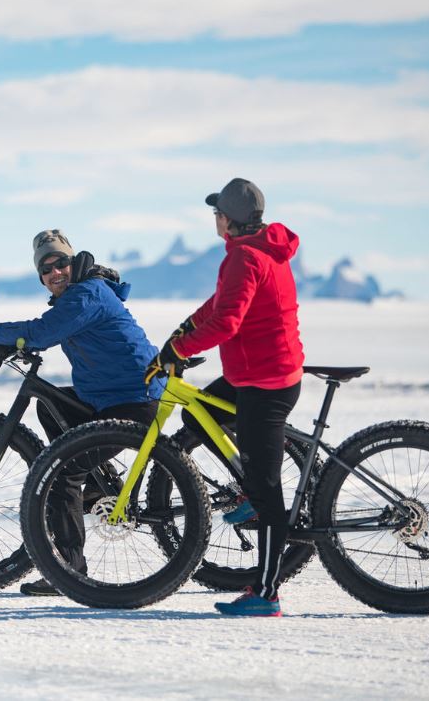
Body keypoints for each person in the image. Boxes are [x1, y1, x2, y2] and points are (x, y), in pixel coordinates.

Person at [0, 229, 164, 596]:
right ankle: (96, 487)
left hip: (132, 401)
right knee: (52, 404)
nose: (55, 272)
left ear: (72, 261)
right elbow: (49, 327)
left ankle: (68, 571)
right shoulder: (80, 293)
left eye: (60, 262)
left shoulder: (87, 293)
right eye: (46, 269)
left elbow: (46, 332)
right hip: (107, 398)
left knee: (61, 470)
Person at [152, 178, 304, 617]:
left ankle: (267, 593)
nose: (213, 218)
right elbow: (218, 305)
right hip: (252, 374)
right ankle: (250, 492)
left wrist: (180, 350)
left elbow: (226, 324)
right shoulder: (257, 250)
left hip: (266, 383)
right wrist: (180, 333)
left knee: (269, 493)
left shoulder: (245, 256)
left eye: (217, 212)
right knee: (199, 418)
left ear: (229, 219)